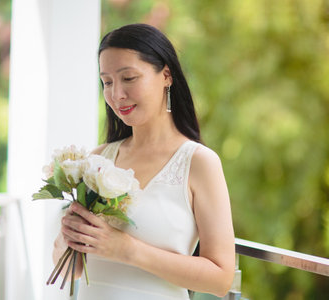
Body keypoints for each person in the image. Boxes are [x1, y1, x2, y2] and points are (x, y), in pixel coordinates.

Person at [52, 23, 235, 300]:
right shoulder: (98, 159)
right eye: (107, 82)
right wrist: (67, 236)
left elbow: (221, 279)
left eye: (128, 78)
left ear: (166, 76)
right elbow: (70, 271)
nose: (116, 95)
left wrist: (128, 250)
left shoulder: (199, 163)